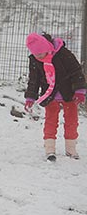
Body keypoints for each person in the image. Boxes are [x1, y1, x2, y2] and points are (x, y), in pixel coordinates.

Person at [24, 32, 86, 161]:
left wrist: (80, 90)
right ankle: (50, 149)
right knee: (51, 121)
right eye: (36, 54)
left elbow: (76, 72)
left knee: (71, 121)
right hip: (50, 95)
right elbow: (34, 80)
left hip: (69, 93)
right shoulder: (35, 60)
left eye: (41, 53)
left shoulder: (64, 54)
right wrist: (30, 97)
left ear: (47, 47)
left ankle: (71, 148)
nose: (39, 56)